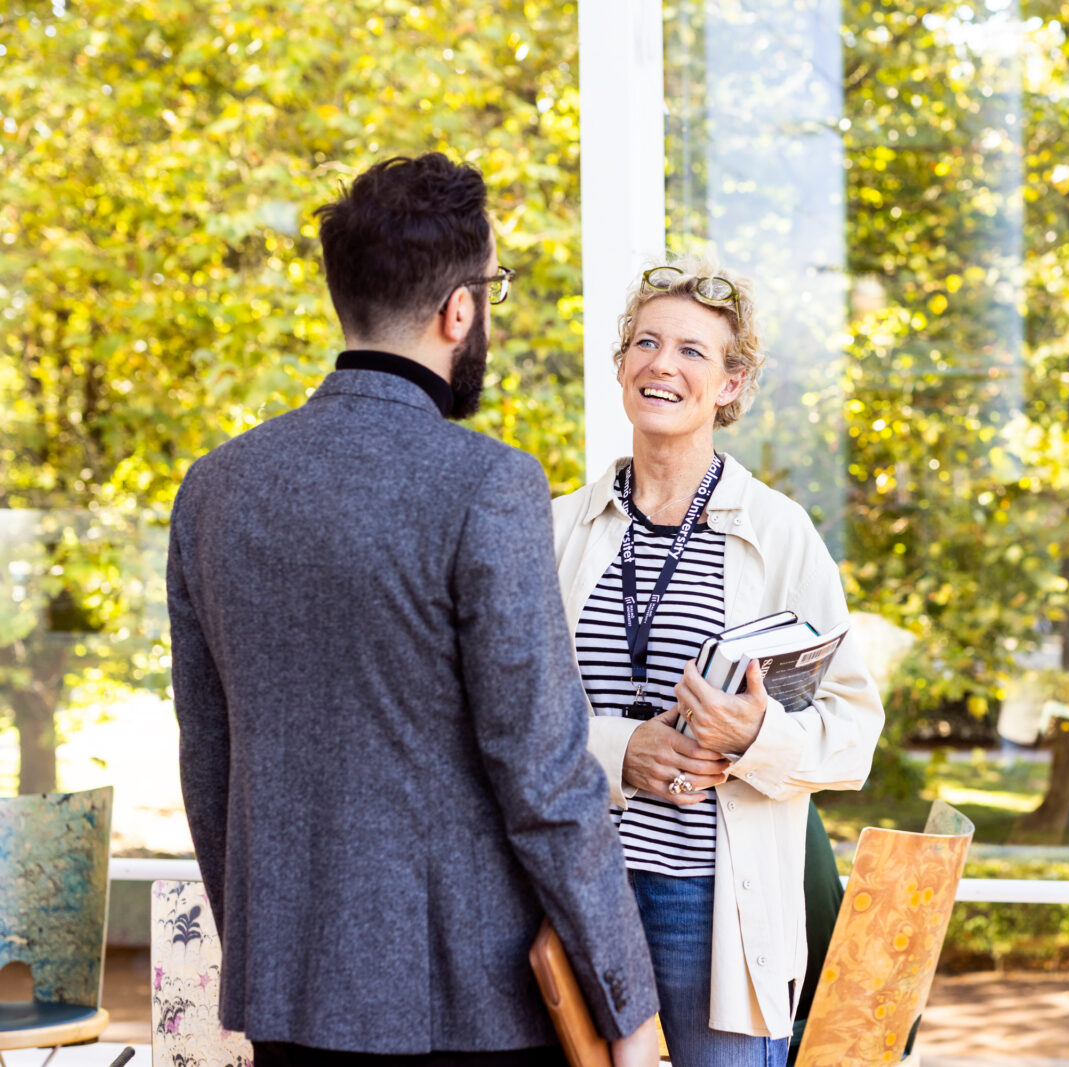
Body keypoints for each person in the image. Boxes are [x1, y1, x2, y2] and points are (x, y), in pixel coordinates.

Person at [167, 153, 659, 1067]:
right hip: (471, 1009)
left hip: (289, 1000)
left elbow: (209, 758)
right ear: (460, 310)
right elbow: (545, 775)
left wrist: (268, 957)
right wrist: (627, 1006)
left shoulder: (215, 489)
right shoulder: (487, 484)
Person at [549, 255, 886, 1066]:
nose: (662, 363)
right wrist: (620, 749)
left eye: (694, 352)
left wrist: (754, 731)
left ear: (732, 384)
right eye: (646, 343)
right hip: (577, 893)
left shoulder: (780, 533)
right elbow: (505, 713)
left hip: (711, 908)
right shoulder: (556, 527)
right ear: (623, 364)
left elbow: (853, 732)